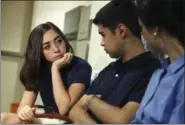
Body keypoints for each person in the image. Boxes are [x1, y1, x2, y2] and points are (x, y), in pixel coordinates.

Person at [69, 0, 161, 124]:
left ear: (121, 31)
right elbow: (75, 110)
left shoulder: (152, 71)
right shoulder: (110, 69)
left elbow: (121, 120)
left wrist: (91, 101)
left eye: (103, 35)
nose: (102, 42)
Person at [1, 22, 92, 124]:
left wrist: (55, 69)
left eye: (59, 41)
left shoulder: (81, 66)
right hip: (50, 119)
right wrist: (24, 111)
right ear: (39, 52)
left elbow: (64, 109)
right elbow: (23, 106)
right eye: (47, 47)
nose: (56, 49)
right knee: (4, 118)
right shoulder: (39, 68)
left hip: (72, 121)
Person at [131, 0, 184, 123]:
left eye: (141, 28)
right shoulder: (159, 74)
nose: (142, 35)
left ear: (155, 30)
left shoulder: (180, 78)